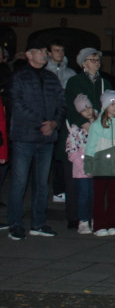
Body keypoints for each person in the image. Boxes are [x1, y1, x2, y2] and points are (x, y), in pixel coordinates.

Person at [6, 38, 67, 240]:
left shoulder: (51, 78)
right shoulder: (19, 77)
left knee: (41, 182)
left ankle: (39, 223)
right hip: (25, 137)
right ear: (29, 55)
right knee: (19, 181)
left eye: (45, 50)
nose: (44, 53)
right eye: (40, 51)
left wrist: (55, 123)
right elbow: (17, 104)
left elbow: (61, 103)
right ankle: (15, 222)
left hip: (46, 139)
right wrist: (42, 123)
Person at [63, 48, 108, 232]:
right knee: (78, 180)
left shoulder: (104, 82)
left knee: (96, 180)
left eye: (98, 59)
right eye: (92, 59)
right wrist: (83, 122)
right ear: (83, 63)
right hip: (81, 135)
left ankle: (94, 215)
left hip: (99, 134)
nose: (96, 62)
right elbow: (70, 105)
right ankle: (77, 217)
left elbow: (110, 104)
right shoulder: (75, 81)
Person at [85, 90, 115, 236]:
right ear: (105, 106)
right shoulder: (96, 126)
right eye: (112, 104)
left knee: (113, 196)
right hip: (100, 166)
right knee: (99, 197)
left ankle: (112, 223)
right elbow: (90, 146)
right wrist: (89, 165)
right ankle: (99, 225)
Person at [46, 39, 74, 213]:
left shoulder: (69, 73)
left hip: (64, 119)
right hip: (46, 118)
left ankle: (59, 189)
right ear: (49, 53)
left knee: (61, 155)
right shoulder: (45, 71)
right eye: (56, 50)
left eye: (62, 50)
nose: (60, 53)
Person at [66, 94, 97, 234]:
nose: (88, 111)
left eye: (89, 107)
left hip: (96, 167)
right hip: (82, 168)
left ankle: (93, 218)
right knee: (84, 194)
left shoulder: (97, 125)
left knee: (94, 194)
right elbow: (71, 150)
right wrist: (82, 164)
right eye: (84, 110)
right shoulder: (75, 129)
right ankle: (83, 220)